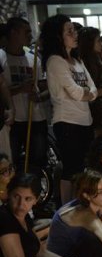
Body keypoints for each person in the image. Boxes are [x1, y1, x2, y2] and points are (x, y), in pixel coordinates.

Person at [41, 14, 97, 206]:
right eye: (69, 31)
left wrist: (87, 93)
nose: (75, 34)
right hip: (67, 121)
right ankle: (66, 208)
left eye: (74, 30)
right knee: (71, 168)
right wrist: (86, 93)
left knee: (82, 167)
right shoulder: (55, 61)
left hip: (85, 120)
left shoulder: (77, 60)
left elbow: (94, 90)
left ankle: (79, 204)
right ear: (58, 36)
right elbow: (76, 93)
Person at [1, 18, 49, 173]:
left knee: (38, 160)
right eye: (26, 32)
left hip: (36, 117)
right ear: (13, 33)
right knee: (11, 160)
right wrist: (20, 88)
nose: (30, 35)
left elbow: (43, 86)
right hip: (13, 120)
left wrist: (40, 95)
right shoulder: (0, 57)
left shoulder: (32, 57)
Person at [77, 27, 102, 138]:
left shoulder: (99, 60)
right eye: (98, 41)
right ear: (90, 43)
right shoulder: (81, 63)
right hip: (94, 111)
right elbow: (89, 93)